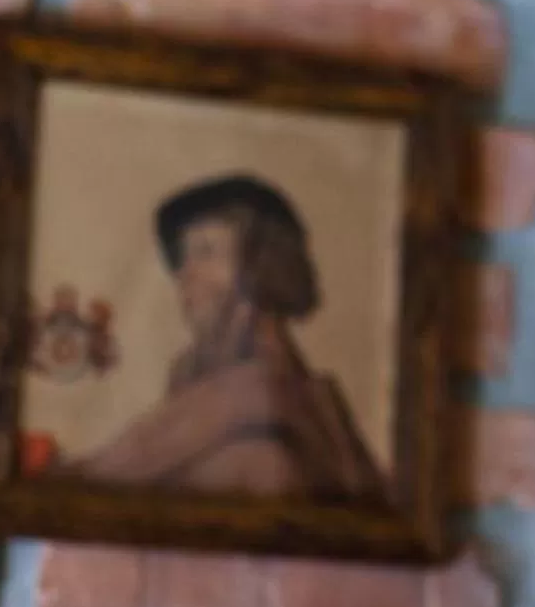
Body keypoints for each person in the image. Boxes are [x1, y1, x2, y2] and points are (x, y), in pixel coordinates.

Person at [73, 173, 384, 500]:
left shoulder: (266, 427)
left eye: (206, 251)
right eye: (183, 257)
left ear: (261, 267)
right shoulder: (195, 379)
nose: (184, 274)